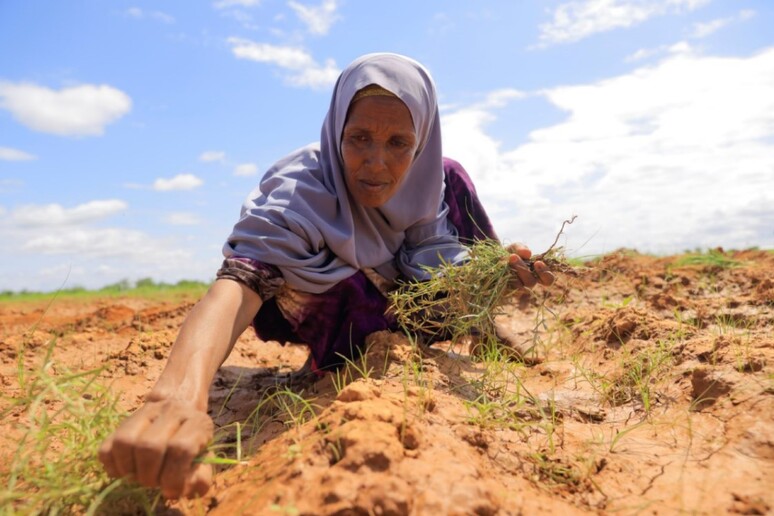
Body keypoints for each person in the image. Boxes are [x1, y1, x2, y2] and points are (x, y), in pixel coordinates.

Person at [98, 52, 554, 500]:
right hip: (343, 315)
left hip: (415, 305)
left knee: (454, 183)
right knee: (331, 296)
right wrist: (177, 395)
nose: (376, 163)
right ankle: (327, 358)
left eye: (399, 143)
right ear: (336, 131)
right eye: (359, 138)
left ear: (422, 141)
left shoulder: (436, 180)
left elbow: (448, 258)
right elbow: (235, 289)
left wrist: (490, 276)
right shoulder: (301, 193)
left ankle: (481, 325)